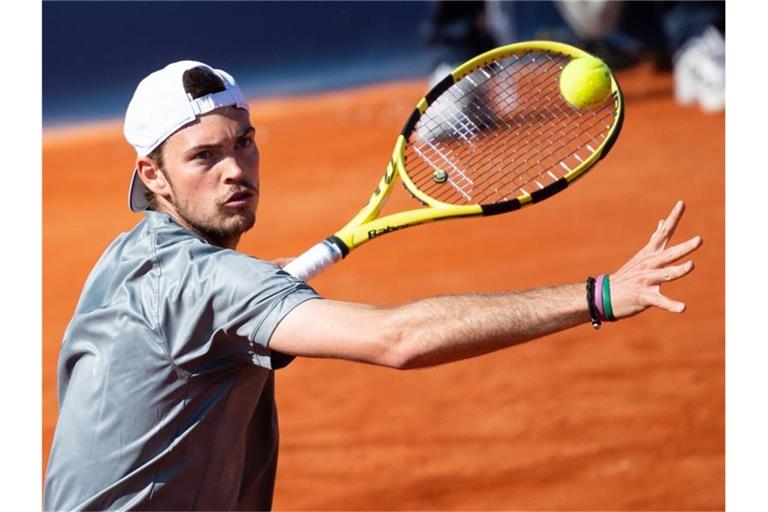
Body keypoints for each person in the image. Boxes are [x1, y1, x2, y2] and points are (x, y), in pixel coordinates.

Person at [43, 60, 703, 510]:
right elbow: (397, 341)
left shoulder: (126, 260)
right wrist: (599, 296)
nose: (234, 168)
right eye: (204, 156)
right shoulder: (213, 285)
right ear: (153, 175)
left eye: (243, 143)